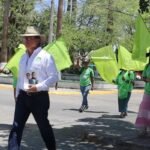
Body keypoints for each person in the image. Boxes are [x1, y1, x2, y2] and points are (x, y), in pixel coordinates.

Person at [8, 26, 58, 150]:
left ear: (38, 40)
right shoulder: (23, 57)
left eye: (30, 38)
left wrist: (39, 87)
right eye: (25, 38)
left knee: (44, 127)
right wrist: (18, 94)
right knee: (16, 127)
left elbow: (54, 77)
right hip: (23, 97)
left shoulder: (46, 56)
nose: (27, 40)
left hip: (39, 98)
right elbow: (21, 78)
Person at [135, 62, 150, 137]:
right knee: (144, 110)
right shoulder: (147, 66)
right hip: (147, 91)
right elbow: (143, 77)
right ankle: (143, 130)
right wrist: (146, 79)